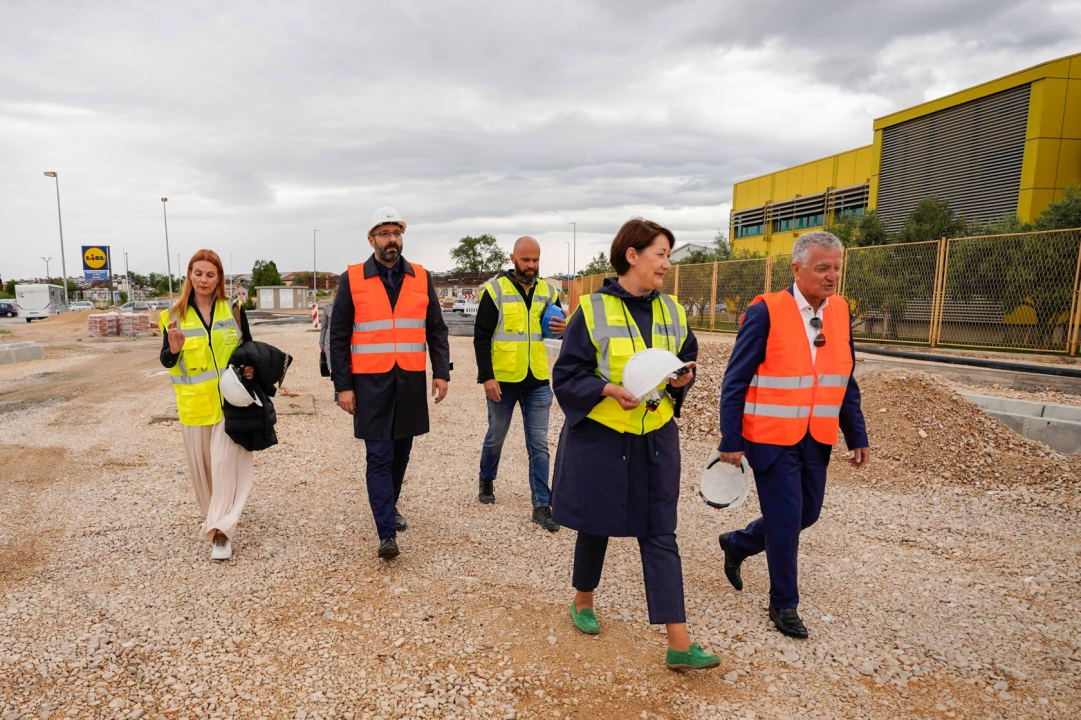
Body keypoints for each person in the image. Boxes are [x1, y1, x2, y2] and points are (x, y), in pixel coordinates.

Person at [550, 218, 720, 671]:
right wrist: (608, 391)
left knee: (659, 529)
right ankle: (583, 600)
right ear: (632, 255)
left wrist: (684, 377)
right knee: (596, 521)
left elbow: (688, 360)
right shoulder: (591, 311)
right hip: (603, 437)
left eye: (668, 255)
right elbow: (567, 375)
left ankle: (679, 643)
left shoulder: (674, 311)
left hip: (656, 437)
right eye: (660, 254)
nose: (667, 263)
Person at [715, 231, 870, 639]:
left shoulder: (839, 311)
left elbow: (843, 377)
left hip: (816, 435)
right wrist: (731, 439)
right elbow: (736, 380)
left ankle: (739, 543)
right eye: (822, 268)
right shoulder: (766, 310)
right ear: (797, 268)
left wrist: (856, 433)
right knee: (785, 519)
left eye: (836, 267)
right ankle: (784, 604)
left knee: (807, 514)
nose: (832, 275)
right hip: (770, 436)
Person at [329, 207, 451, 560]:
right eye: (383, 234)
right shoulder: (351, 279)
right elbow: (338, 337)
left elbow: (436, 328)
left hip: (410, 380)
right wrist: (343, 386)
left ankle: (390, 504)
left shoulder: (421, 277)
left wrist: (440, 371)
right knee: (378, 455)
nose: (391, 239)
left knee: (401, 452)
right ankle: (386, 533)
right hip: (370, 383)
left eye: (396, 233)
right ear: (371, 240)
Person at [159, 249, 255, 561]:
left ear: (219, 279)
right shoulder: (173, 315)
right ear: (189, 275)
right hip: (194, 407)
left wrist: (250, 367)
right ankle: (215, 517)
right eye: (198, 273)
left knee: (226, 467)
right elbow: (166, 360)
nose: (203, 279)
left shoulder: (234, 309)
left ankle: (221, 534)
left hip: (231, 403)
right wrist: (173, 351)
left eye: (210, 274)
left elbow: (248, 346)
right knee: (205, 475)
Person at [473, 236, 565, 531]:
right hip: (503, 380)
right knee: (496, 435)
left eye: (536, 260)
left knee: (539, 444)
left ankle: (542, 505)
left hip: (537, 380)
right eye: (526, 260)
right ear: (513, 258)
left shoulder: (549, 291)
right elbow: (481, 337)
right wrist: (487, 376)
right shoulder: (495, 291)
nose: (531, 266)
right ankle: (486, 478)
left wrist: (564, 329)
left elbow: (555, 334)